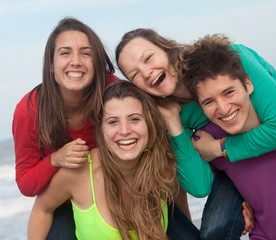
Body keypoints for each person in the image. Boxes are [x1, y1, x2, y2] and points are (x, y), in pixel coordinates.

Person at [114, 28, 276, 239]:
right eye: (134, 74)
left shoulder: (224, 60)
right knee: (214, 229)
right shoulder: (169, 112)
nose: (145, 72)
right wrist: (173, 123)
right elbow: (200, 186)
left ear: (166, 49)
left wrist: (220, 147)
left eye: (148, 58)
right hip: (239, 157)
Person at [28, 80, 200, 240]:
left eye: (134, 119)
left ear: (149, 122)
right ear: (101, 128)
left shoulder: (163, 167)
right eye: (112, 122)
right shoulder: (79, 172)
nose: (124, 131)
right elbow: (42, 209)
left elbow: (184, 221)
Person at [12, 17, 118, 239]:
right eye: (65, 52)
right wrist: (55, 160)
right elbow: (26, 184)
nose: (76, 61)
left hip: (117, 186)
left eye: (86, 53)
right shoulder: (30, 111)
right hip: (64, 199)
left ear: (97, 62)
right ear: (51, 64)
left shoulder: (113, 90)